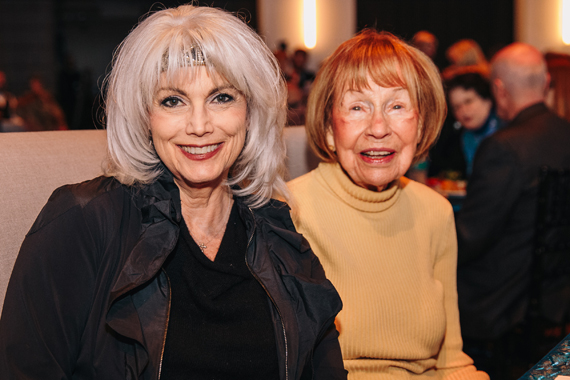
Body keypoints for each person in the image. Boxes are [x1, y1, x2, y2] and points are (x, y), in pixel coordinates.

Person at [0, 5, 346, 380]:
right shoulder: (82, 221)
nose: (199, 126)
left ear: (251, 112)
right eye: (172, 101)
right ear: (144, 115)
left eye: (222, 97)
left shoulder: (281, 238)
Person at [287, 29, 488, 379]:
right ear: (331, 128)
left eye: (396, 106)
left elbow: (451, 361)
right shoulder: (289, 212)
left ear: (420, 123)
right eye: (358, 107)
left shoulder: (435, 212)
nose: (378, 127)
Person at [455, 42, 570, 379]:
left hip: (501, 301)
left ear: (499, 90)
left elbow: (468, 239)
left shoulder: (504, 147)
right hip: (556, 291)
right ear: (546, 82)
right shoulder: (565, 135)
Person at [429, 72, 504, 179]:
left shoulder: (505, 130)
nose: (463, 111)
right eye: (456, 107)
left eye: (468, 101)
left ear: (487, 100)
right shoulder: (463, 138)